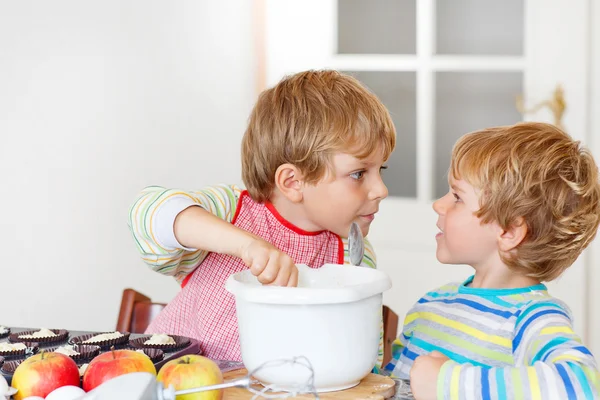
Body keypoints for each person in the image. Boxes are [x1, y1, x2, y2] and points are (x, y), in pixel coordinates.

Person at [128, 70, 396, 362]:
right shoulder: (232, 210)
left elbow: (361, 349)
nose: (381, 190)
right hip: (168, 381)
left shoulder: (354, 255)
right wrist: (246, 245)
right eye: (358, 174)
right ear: (293, 182)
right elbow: (150, 212)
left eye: (379, 171)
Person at [384, 122, 600, 399]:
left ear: (509, 231)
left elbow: (580, 386)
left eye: (457, 197)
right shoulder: (432, 304)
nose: (439, 204)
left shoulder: (531, 316)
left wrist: (447, 382)